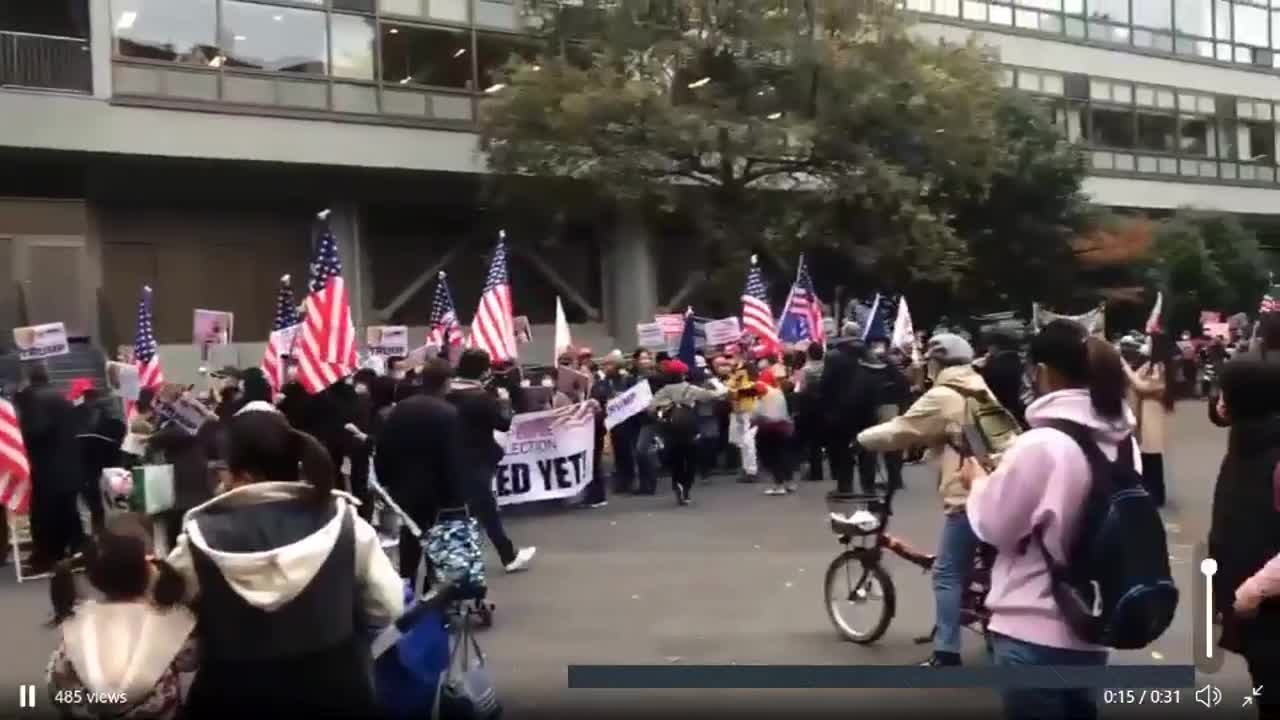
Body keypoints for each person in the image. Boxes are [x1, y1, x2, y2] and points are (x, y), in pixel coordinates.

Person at [167, 411, 403, 718]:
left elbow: (172, 615)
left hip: (231, 693)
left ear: (245, 474)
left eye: (223, 469)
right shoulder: (344, 521)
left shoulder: (198, 537)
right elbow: (388, 605)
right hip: (338, 688)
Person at [960, 320, 1130, 720]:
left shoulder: (1042, 443)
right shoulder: (1123, 442)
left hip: (1031, 627)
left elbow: (996, 526)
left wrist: (980, 483)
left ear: (1042, 372)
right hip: (1091, 621)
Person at [856, 334, 998, 667]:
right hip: (999, 488)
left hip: (968, 494)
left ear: (936, 363)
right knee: (990, 568)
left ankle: (947, 651)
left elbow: (901, 429)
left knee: (946, 573)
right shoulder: (979, 388)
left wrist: (861, 439)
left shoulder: (944, 394)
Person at [46, 513, 198, 720]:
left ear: (92, 577)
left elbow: (57, 690)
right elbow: (192, 664)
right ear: (149, 569)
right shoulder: (173, 623)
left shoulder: (78, 625)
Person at [1207, 351, 1280, 720]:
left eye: (1225, 394)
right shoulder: (1244, 444)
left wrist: (1255, 589)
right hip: (1251, 615)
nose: (1219, 402)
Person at [376, 358, 465, 582]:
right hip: (438, 490)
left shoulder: (399, 410)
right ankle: (433, 592)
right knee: (439, 542)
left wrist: (385, 480)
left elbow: (384, 447)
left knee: (410, 537)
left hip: (403, 487)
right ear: (445, 383)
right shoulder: (449, 413)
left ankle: (407, 584)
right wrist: (457, 493)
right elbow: (452, 457)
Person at [447, 348, 536, 573]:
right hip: (477, 458)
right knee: (485, 509)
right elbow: (503, 423)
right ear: (482, 370)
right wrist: (505, 403)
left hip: (451, 457)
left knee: (466, 510)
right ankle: (507, 556)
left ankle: (469, 556)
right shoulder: (479, 398)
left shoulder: (448, 393)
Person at [16, 364, 84, 572]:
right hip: (69, 465)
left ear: (28, 379)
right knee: (68, 512)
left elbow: (36, 430)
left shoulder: (30, 398)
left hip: (45, 467)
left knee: (43, 515)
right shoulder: (61, 398)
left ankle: (46, 557)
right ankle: (77, 551)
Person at [648, 359, 724, 505]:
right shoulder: (690, 388)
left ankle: (678, 485)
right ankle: (687, 488)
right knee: (690, 460)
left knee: (676, 460)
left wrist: (666, 408)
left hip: (671, 430)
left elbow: (651, 408)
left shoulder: (664, 391)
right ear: (683, 374)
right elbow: (713, 395)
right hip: (690, 429)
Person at [851, 337, 909, 493]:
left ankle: (877, 478)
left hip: (877, 408)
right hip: (889, 407)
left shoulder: (865, 367)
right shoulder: (890, 365)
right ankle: (894, 477)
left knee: (875, 444)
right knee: (891, 444)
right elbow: (903, 386)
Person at [1124, 333, 1176, 507]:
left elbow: (1142, 386)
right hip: (1144, 412)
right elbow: (1135, 380)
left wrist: (1124, 367)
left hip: (1152, 413)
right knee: (1147, 456)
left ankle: (1156, 495)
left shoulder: (1159, 367)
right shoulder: (1149, 364)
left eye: (1149, 342)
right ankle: (1150, 493)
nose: (1145, 345)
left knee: (1151, 455)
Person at [72, 386, 126, 533]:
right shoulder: (112, 423)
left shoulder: (75, 422)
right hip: (105, 472)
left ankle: (95, 539)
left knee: (90, 512)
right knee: (102, 511)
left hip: (88, 473)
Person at [819, 322, 865, 494]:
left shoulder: (833, 356)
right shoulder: (868, 355)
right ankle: (868, 485)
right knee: (866, 447)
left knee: (840, 448)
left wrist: (824, 404)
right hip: (863, 408)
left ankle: (844, 485)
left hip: (838, 409)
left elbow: (826, 383)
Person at [754, 368, 796, 496]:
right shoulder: (778, 391)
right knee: (784, 455)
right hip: (783, 427)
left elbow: (756, 407)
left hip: (769, 428)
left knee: (772, 457)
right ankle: (789, 483)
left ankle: (779, 485)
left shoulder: (763, 388)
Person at [978, 330, 1028, 429]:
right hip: (1024, 411)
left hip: (1003, 416)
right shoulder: (1025, 363)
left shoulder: (990, 367)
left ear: (994, 346)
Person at [725, 355, 761, 483]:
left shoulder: (753, 385)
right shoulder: (737, 381)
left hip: (751, 416)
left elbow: (735, 394)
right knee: (743, 444)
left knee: (748, 443)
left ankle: (751, 470)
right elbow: (729, 393)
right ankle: (746, 469)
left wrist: (735, 387)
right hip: (740, 415)